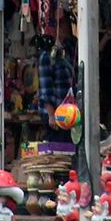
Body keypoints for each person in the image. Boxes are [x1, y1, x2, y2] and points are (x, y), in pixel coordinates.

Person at [37, 13, 77, 143]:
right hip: (56, 112)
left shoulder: (69, 49)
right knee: (59, 147)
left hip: (70, 111)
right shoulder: (47, 56)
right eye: (63, 25)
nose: (67, 29)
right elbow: (45, 89)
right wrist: (51, 115)